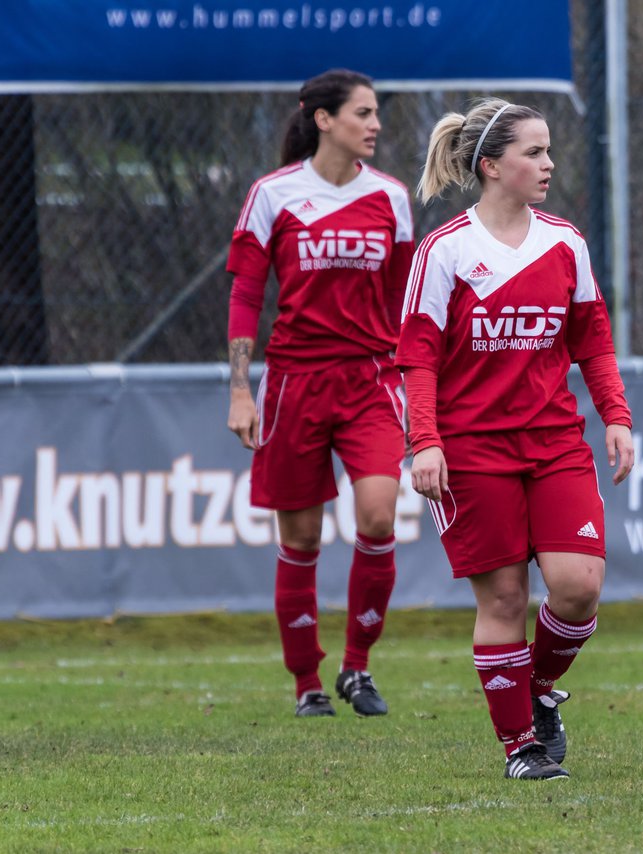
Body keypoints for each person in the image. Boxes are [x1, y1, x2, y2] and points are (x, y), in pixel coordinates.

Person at [397, 98, 634, 780]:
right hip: (471, 449)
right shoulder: (444, 251)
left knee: (578, 587)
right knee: (502, 599)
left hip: (555, 441)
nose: (548, 163)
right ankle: (521, 748)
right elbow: (415, 356)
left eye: (550, 149)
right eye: (533, 152)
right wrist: (426, 440)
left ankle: (532, 687)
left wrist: (615, 417)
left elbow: (593, 341)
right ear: (491, 166)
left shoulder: (566, 242)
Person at [225, 69, 414, 719]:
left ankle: (357, 668)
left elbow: (400, 303)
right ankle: (307, 681)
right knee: (301, 539)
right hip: (294, 385)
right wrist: (240, 391)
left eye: (377, 113)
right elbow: (247, 295)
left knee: (379, 516)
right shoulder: (273, 196)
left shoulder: (391, 198)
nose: (376, 125)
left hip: (368, 381)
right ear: (324, 119)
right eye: (363, 112)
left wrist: (411, 380)